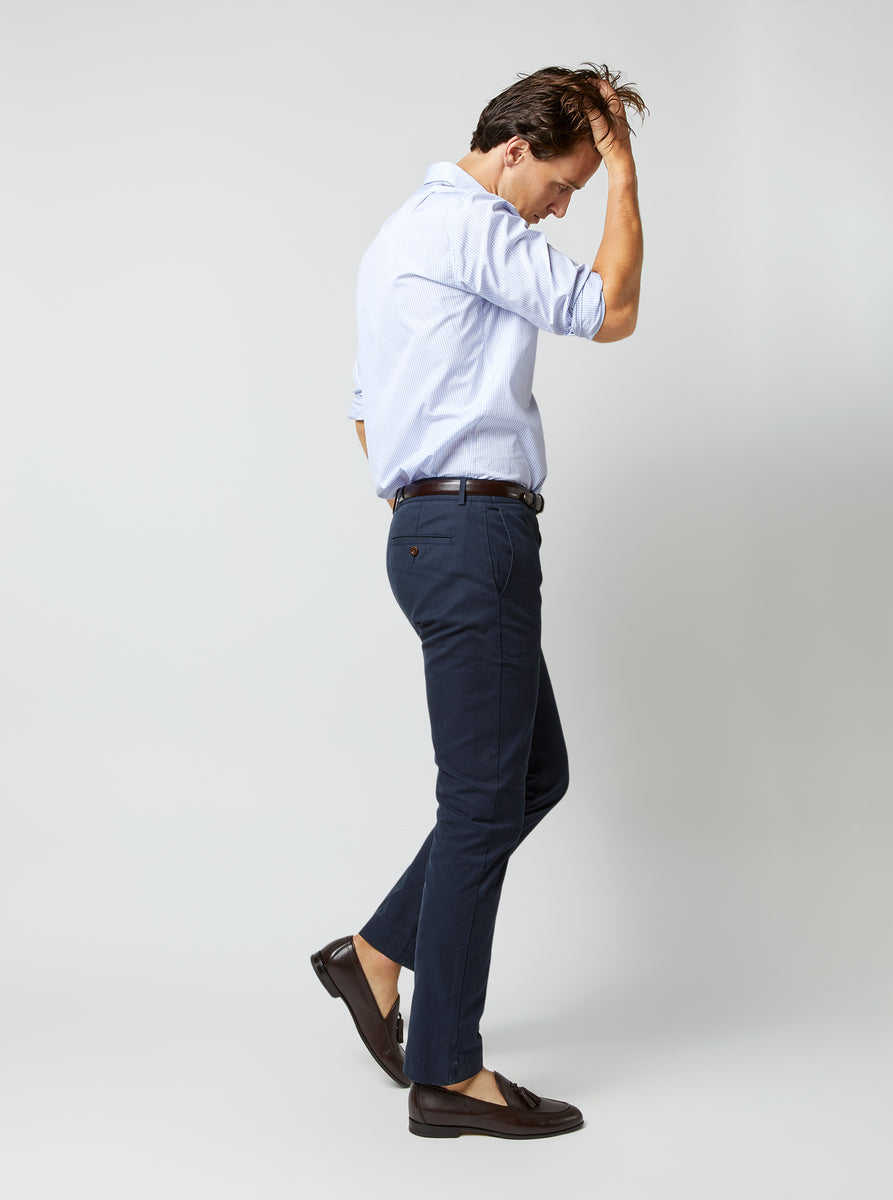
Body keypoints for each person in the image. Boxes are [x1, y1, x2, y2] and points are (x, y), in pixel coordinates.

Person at [312, 63, 646, 1140]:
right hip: (472, 532)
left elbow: (366, 414)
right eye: (564, 184)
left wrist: (430, 497)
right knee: (483, 801)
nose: (563, 208)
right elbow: (612, 309)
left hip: (429, 532)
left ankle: (375, 956)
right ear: (513, 151)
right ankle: (449, 1072)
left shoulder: (396, 237)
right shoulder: (475, 226)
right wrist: (628, 174)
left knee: (530, 776)